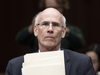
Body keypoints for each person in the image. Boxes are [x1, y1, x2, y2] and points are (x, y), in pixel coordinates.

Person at [6, 8, 95, 75]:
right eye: (45, 24)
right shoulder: (14, 67)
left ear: (63, 32)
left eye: (55, 25)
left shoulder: (82, 63)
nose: (50, 29)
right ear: (36, 30)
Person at [15, 0, 85, 52]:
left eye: (56, 8)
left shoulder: (72, 29)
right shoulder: (39, 28)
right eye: (49, 7)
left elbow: (80, 43)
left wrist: (62, 28)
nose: (52, 10)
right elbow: (19, 39)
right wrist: (33, 26)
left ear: (63, 8)